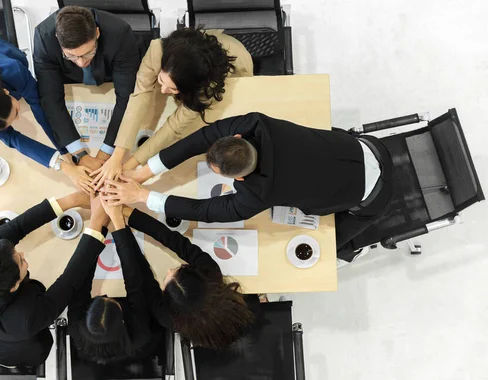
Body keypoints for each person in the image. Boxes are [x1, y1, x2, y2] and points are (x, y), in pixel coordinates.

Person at [102, 112, 394, 259]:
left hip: (369, 196)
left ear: (239, 179)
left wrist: (142, 196)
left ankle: (356, 252)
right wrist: (144, 173)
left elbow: (206, 211)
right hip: (363, 147)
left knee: (330, 249)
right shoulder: (256, 125)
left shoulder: (258, 194)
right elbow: (200, 138)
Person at [0, 191, 110, 367]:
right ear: (14, 287)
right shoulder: (27, 317)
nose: (21, 253)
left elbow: (16, 227)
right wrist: (97, 222)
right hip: (7, 352)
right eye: (21, 261)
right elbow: (70, 281)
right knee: (37, 343)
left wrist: (73, 200)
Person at [91, 27, 254, 189]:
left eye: (173, 89)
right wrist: (117, 157)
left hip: (234, 65)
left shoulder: (206, 88)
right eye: (161, 81)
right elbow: (140, 97)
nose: (162, 91)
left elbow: (173, 127)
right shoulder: (157, 51)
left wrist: (130, 165)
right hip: (196, 52)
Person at [0, 36, 93, 192]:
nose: (19, 118)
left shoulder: (12, 69)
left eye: (15, 112)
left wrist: (66, 151)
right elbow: (13, 139)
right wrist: (63, 166)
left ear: (6, 91)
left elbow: (39, 106)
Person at [116, 206, 255, 350]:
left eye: (166, 284)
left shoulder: (167, 317)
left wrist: (120, 227)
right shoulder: (210, 272)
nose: (169, 270)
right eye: (177, 270)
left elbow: (142, 277)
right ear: (197, 274)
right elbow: (173, 240)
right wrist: (124, 211)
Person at [34, 6, 141, 171]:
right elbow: (51, 99)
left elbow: (126, 96)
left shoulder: (120, 33)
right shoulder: (43, 37)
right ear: (57, 38)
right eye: (71, 55)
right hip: (70, 81)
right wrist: (80, 155)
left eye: (88, 52)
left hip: (110, 77)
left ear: (97, 33)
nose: (81, 62)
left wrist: (104, 154)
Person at [68, 197, 163, 366]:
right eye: (112, 301)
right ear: (122, 319)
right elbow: (134, 280)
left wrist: (99, 227)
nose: (107, 295)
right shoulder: (140, 333)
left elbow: (81, 276)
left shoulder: (77, 328)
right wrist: (119, 228)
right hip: (142, 348)